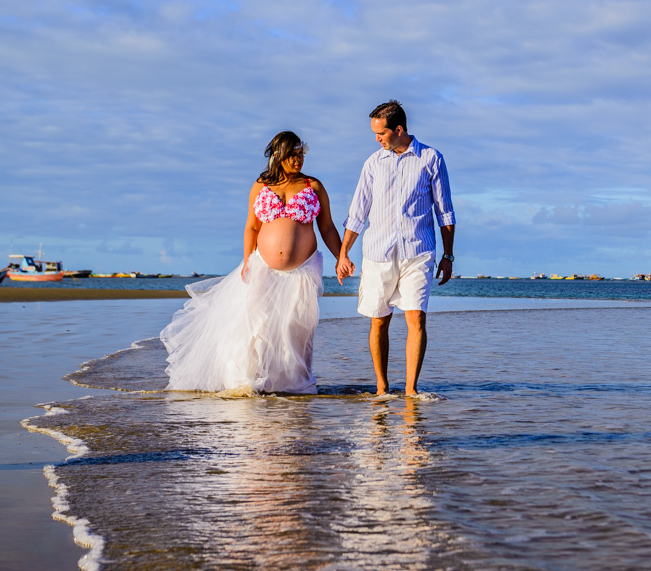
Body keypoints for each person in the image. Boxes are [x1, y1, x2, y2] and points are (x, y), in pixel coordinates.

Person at [162, 131, 344, 394]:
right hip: (262, 267)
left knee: (298, 327)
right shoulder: (261, 185)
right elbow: (251, 227)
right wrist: (247, 261)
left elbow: (327, 227)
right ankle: (256, 383)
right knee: (258, 324)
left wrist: (341, 257)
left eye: (300, 154)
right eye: (292, 155)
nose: (298, 160)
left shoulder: (313, 186)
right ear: (279, 156)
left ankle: (296, 386)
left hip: (303, 270)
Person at [336, 101, 455, 396]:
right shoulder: (373, 163)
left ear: (398, 130)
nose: (377, 139)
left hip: (418, 251)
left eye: (380, 133)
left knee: (416, 317)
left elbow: (445, 212)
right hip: (379, 253)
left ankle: (412, 391)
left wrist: (448, 255)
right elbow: (357, 213)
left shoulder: (431, 158)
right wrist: (343, 253)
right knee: (379, 320)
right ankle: (382, 388)